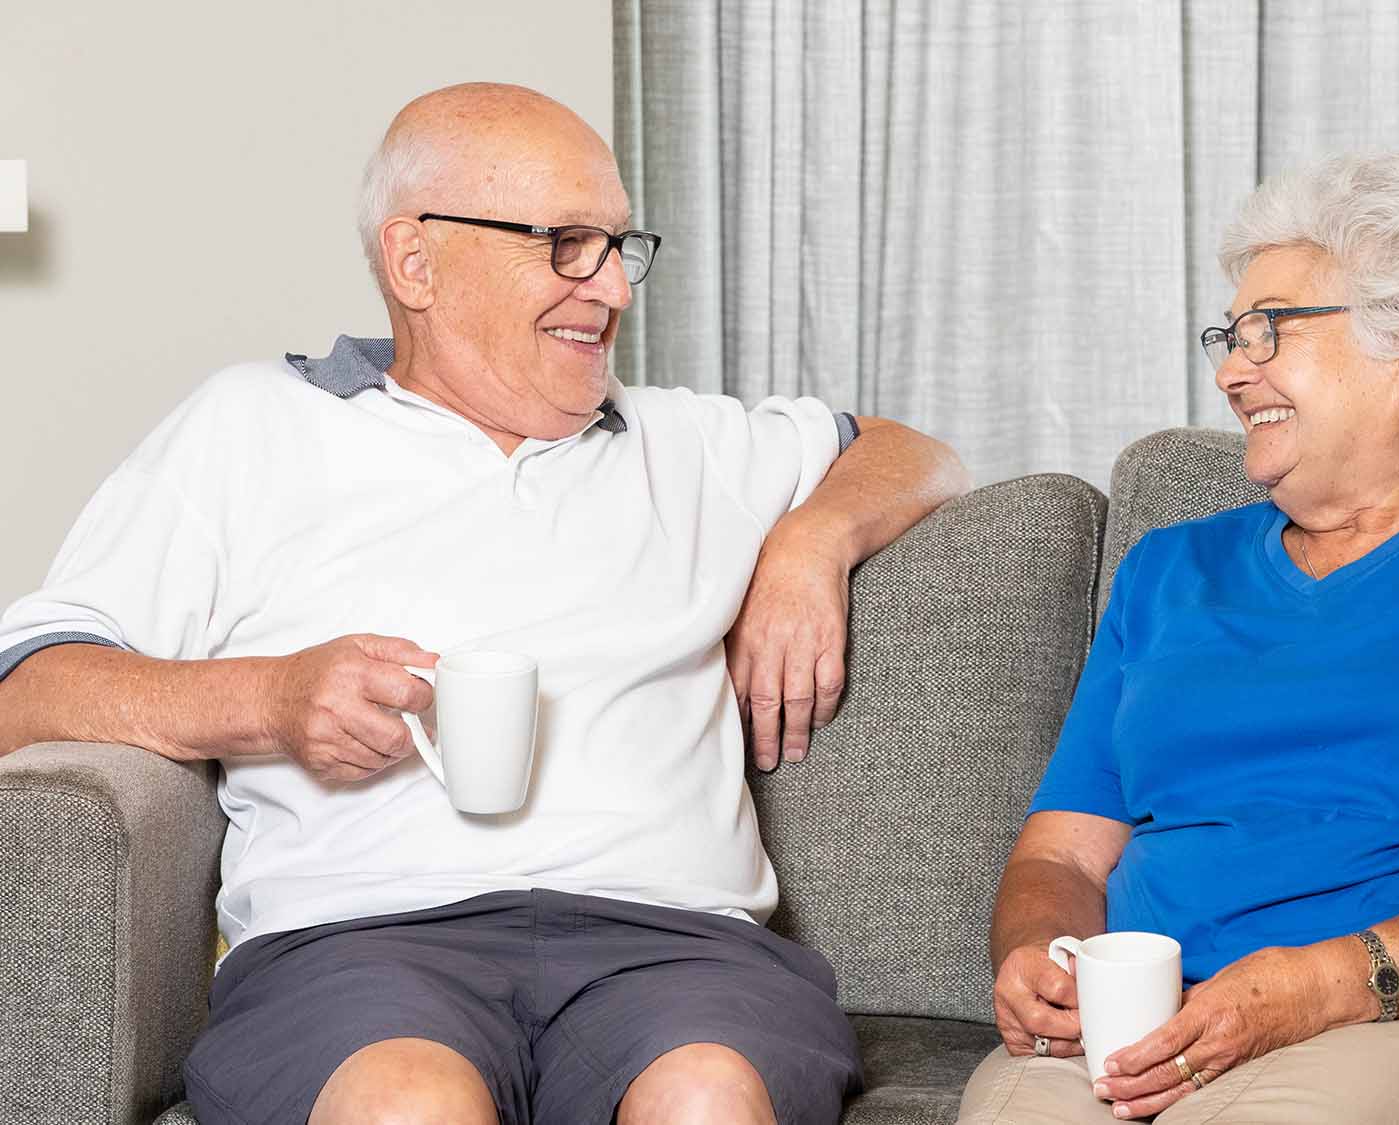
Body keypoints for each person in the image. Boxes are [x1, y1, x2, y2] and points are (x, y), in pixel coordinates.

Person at [0, 83, 967, 1125]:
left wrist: (811, 542)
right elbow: (26, 688)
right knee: (408, 1103)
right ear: (415, 262)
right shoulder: (252, 429)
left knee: (705, 1097)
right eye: (564, 244)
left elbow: (915, 453)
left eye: (617, 246)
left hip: (675, 948)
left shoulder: (687, 444)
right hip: (357, 948)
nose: (611, 289)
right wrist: (268, 701)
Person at [959, 153, 1399, 1125]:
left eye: (1267, 329)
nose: (1227, 369)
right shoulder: (1166, 574)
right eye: (1227, 333)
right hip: (1141, 1025)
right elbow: (1062, 860)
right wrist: (1041, 958)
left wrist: (1315, 985)